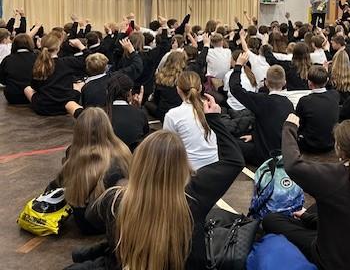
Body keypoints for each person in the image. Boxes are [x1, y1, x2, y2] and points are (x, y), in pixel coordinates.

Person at [84, 101, 244, 270]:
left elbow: (91, 218)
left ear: (139, 162)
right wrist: (213, 119)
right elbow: (234, 161)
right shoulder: (194, 196)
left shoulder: (116, 199)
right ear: (182, 164)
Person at [262, 117, 350, 270]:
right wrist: (307, 217)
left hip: (333, 262)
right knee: (320, 206)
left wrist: (289, 128)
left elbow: (292, 166)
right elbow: (347, 213)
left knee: (271, 220)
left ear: (338, 147)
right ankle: (308, 219)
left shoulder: (332, 177)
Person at [51, 107, 131, 235]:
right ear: (107, 128)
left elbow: (56, 185)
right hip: (110, 221)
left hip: (82, 222)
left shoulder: (74, 154)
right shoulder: (122, 152)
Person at [230, 53, 294, 165]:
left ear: (266, 82)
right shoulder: (288, 104)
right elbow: (274, 128)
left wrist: (238, 65)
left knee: (229, 142)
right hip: (281, 153)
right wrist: (254, 136)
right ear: (284, 83)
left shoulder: (261, 100)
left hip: (263, 156)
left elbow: (235, 88)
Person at [24, 33, 87, 116]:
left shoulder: (38, 65)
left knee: (27, 89)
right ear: (58, 48)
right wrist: (81, 46)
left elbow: (34, 86)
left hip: (44, 106)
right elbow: (90, 59)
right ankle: (78, 112)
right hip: (65, 103)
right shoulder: (67, 62)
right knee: (78, 85)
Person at [296, 66, 341, 153]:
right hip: (331, 143)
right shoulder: (335, 95)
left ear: (309, 83)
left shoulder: (304, 101)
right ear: (327, 80)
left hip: (311, 145)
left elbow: (299, 124)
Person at [149, 50, 186, 121]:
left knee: (147, 104)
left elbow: (156, 99)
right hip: (180, 112)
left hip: (163, 112)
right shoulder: (185, 78)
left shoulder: (160, 76)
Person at [0, 33, 36, 104]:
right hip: (33, 95)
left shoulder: (7, 59)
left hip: (12, 96)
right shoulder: (37, 58)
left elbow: (2, 80)